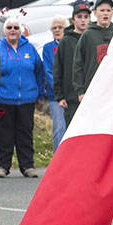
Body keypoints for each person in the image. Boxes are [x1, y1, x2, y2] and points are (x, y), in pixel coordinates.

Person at [0, 16, 46, 178]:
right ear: (5, 32)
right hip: (3, 98)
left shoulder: (29, 48)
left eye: (16, 28)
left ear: (21, 31)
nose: (13, 31)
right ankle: (2, 166)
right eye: (9, 28)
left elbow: (39, 71)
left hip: (27, 99)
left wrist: (40, 93)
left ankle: (27, 166)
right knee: (4, 134)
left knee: (25, 133)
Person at [54, 0, 90, 126]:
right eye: (79, 17)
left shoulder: (92, 37)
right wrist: (60, 95)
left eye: (86, 17)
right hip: (71, 97)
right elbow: (58, 68)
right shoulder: (66, 41)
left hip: (91, 95)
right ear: (73, 20)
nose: (83, 20)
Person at [74, 0, 113, 101]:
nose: (105, 13)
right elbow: (78, 64)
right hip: (92, 88)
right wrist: (80, 91)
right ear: (95, 13)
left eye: (108, 10)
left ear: (112, 13)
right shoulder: (88, 35)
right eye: (102, 10)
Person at [40, 16, 68, 151]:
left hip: (73, 94)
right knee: (59, 128)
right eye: (54, 28)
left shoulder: (72, 44)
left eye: (60, 27)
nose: (57, 30)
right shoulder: (47, 48)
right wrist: (60, 92)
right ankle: (58, 159)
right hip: (55, 96)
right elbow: (48, 72)